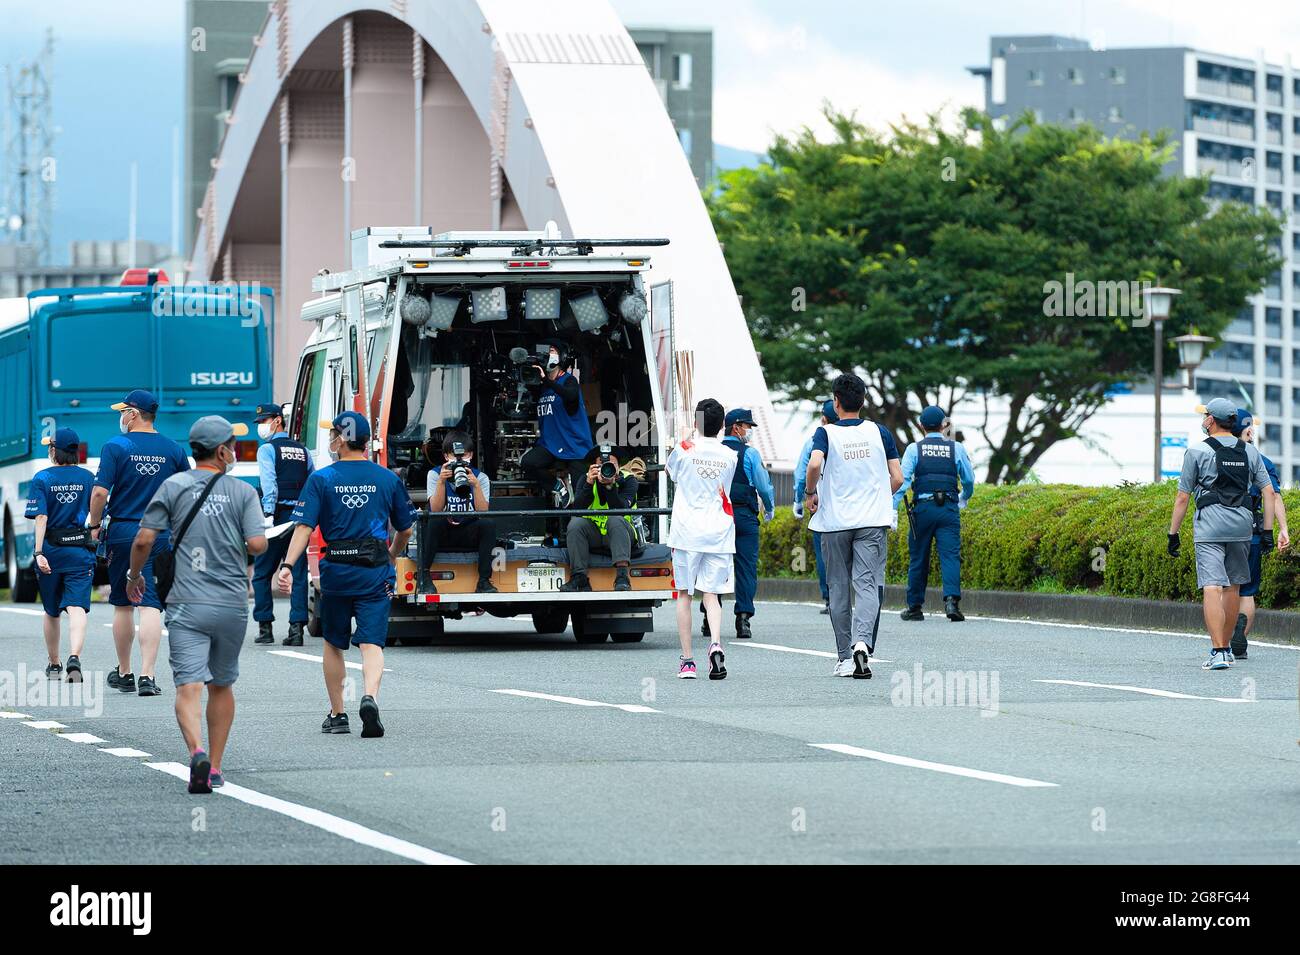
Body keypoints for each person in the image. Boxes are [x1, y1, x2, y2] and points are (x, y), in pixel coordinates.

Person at [128, 416, 267, 793]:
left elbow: (143, 539)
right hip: (231, 602)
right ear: (222, 451)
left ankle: (196, 752)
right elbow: (258, 545)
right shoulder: (242, 492)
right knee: (221, 685)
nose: (235, 452)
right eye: (232, 446)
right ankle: (217, 767)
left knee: (188, 686)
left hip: (187, 602)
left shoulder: (172, 486)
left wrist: (133, 577)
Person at [277, 412, 415, 738]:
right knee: (371, 643)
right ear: (366, 441)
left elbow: (304, 527)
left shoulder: (322, 479)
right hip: (375, 570)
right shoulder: (387, 478)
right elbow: (406, 529)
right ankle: (369, 696)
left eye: (333, 435)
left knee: (333, 643)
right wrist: (392, 555)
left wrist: (286, 565)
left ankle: (338, 713)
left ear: (340, 439)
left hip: (336, 569)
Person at [87, 389, 191, 697]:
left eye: (123, 411)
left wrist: (94, 525)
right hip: (160, 533)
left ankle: (125, 672)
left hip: (124, 532)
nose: (120, 417)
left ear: (133, 414)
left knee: (122, 603)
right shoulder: (173, 449)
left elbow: (99, 494)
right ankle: (148, 675)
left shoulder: (116, 446)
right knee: (150, 604)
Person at [1168, 398, 1278, 670]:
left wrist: (1173, 534)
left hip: (1209, 526)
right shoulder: (1250, 452)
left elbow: (1183, 497)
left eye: (1206, 415)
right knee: (1233, 587)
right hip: (1242, 525)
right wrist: (1267, 531)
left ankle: (1217, 651)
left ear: (1212, 420)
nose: (1204, 419)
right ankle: (1227, 648)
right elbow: (1268, 492)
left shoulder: (1196, 451)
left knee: (1212, 586)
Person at [805, 373, 903, 679]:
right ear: (863, 401)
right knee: (867, 584)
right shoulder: (880, 432)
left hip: (835, 522)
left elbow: (814, 464)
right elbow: (898, 478)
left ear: (836, 402)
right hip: (872, 522)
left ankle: (845, 657)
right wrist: (876, 498)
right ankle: (864, 644)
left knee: (838, 587)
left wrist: (811, 493)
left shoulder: (826, 434)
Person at [666, 399, 738, 680]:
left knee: (684, 594)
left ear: (696, 423)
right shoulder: (730, 455)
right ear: (722, 426)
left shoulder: (683, 450)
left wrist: (685, 439)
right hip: (719, 531)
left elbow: (671, 474)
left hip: (686, 532)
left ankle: (687, 661)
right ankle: (716, 643)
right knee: (712, 594)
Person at [24, 428, 95, 682]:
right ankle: (74, 656)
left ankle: (54, 663)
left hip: (52, 551)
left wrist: (39, 552)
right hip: (79, 549)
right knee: (77, 607)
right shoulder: (88, 477)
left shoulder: (42, 478)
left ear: (54, 451)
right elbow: (97, 511)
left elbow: (41, 516)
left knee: (52, 610)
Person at [893, 405, 975, 622]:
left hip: (923, 509)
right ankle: (951, 602)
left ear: (921, 426)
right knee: (950, 555)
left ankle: (915, 607)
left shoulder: (914, 449)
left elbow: (903, 481)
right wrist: (964, 497)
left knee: (919, 557)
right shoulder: (956, 448)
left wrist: (892, 508)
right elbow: (968, 479)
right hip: (948, 508)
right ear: (943, 425)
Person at [702, 409, 774, 639]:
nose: (749, 431)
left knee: (714, 564)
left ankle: (707, 618)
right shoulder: (750, 454)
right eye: (747, 427)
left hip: (717, 517)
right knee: (746, 568)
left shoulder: (713, 451)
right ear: (736, 427)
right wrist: (770, 508)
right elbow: (763, 486)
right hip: (744, 516)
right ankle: (743, 619)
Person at [1226, 409, 1290, 658]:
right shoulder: (1262, 461)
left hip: (1222, 532)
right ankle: (1239, 640)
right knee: (1247, 591)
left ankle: (1223, 641)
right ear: (1249, 431)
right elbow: (1273, 496)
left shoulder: (1216, 456)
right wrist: (1280, 529)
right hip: (1251, 531)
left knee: (1225, 588)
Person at [250, 401, 314, 646]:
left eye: (264, 421)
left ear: (277, 420)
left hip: (275, 517)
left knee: (263, 571)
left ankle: (265, 628)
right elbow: (312, 482)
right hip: (298, 519)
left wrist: (267, 513)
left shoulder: (267, 450)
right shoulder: (303, 450)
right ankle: (296, 630)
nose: (262, 426)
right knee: (298, 572)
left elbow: (269, 483)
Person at [423, 430, 498, 594]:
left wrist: (475, 485)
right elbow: (435, 509)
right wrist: (442, 482)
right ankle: (424, 576)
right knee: (433, 520)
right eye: (454, 455)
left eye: (463, 456)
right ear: (445, 456)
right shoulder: (435, 474)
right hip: (444, 532)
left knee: (488, 524)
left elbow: (483, 512)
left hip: (468, 531)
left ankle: (484, 581)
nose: (459, 460)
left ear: (470, 455)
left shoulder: (481, 477)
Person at [520, 341, 593, 507]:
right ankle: (558, 486)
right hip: (551, 446)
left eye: (552, 350)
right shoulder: (542, 388)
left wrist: (547, 381)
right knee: (528, 463)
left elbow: (571, 395)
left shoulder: (569, 380)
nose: (548, 354)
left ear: (562, 356)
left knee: (581, 497)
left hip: (575, 446)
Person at [560, 444, 640, 593]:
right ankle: (579, 577)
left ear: (619, 467)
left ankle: (622, 577)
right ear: (593, 467)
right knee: (576, 523)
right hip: (595, 534)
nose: (606, 469)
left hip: (621, 534)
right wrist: (589, 484)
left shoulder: (629, 480)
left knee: (614, 519)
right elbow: (577, 509)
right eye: (601, 465)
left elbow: (621, 509)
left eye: (611, 465)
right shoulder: (586, 479)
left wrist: (610, 486)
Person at [794, 401, 838, 614]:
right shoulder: (855, 439)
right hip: (850, 505)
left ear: (823, 419)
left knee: (824, 554)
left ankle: (830, 599)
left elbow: (803, 472)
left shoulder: (815, 441)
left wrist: (799, 499)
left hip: (821, 504)